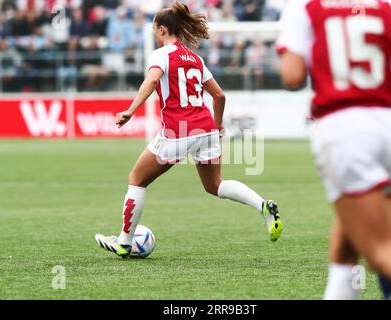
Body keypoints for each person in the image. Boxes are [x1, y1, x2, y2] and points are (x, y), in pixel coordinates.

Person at [95, 1, 283, 258]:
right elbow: (219, 96)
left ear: (162, 29)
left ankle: (124, 242)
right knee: (215, 184)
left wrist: (131, 109)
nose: (153, 33)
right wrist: (217, 125)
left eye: (154, 29)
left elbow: (151, 80)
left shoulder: (161, 55)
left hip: (178, 131)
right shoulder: (195, 59)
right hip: (205, 128)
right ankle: (262, 205)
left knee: (136, 179)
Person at [277, 0, 391, 299]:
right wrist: (390, 86)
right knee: (343, 247)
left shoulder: (305, 7)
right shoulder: (387, 4)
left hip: (345, 128)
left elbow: (292, 76)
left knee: (380, 252)